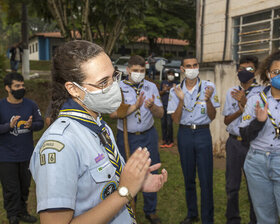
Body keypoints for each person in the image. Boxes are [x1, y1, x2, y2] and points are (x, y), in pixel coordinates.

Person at [29, 40, 168, 224]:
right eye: (103, 82)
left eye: (113, 77)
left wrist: (136, 183)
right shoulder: (60, 145)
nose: (113, 87)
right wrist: (124, 192)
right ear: (73, 89)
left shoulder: (99, 126)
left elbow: (98, 191)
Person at [111, 55, 164, 224]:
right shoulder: (118, 87)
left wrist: (152, 107)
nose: (139, 74)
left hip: (148, 135)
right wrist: (135, 107)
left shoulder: (151, 87)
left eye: (142, 71)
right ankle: (128, 206)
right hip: (127, 137)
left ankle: (151, 210)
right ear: (128, 70)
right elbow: (113, 113)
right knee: (127, 172)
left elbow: (161, 114)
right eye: (135, 71)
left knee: (151, 169)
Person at [167, 57, 220, 224]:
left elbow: (212, 116)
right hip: (184, 135)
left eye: (195, 65)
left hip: (203, 134)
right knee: (188, 176)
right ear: (182, 69)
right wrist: (181, 100)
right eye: (188, 66)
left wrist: (209, 99)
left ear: (198, 67)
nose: (192, 68)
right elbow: (175, 120)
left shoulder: (209, 87)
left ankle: (207, 218)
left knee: (206, 179)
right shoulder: (175, 90)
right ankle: (192, 214)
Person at [240, 50, 280, 223]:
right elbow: (244, 135)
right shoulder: (256, 98)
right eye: (276, 72)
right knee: (264, 216)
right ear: (268, 74)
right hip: (257, 163)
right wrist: (259, 122)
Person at [0, 72, 44, 224]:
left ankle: (22, 212)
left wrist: (32, 125)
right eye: (17, 86)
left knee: (25, 187)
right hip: (6, 156)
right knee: (11, 188)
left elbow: (40, 123)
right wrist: (8, 126)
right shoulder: (1, 106)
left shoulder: (31, 105)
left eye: (22, 85)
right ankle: (12, 215)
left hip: (26, 154)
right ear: (8, 88)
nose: (21, 88)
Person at [223, 55, 260, 224]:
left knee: (254, 185)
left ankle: (255, 219)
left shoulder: (262, 93)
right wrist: (239, 110)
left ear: (256, 71)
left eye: (250, 69)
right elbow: (226, 120)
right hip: (233, 143)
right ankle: (232, 219)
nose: (245, 72)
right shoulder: (231, 92)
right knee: (232, 185)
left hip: (252, 144)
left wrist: (245, 103)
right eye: (242, 69)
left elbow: (260, 120)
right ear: (237, 71)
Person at [159, 69, 178, 148]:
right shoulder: (163, 83)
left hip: (172, 106)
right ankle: (164, 139)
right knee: (163, 123)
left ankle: (170, 140)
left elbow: (177, 92)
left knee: (169, 123)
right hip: (163, 105)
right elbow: (159, 93)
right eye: (169, 74)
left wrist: (170, 88)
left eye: (172, 74)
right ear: (166, 75)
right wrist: (164, 90)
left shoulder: (176, 83)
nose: (171, 76)